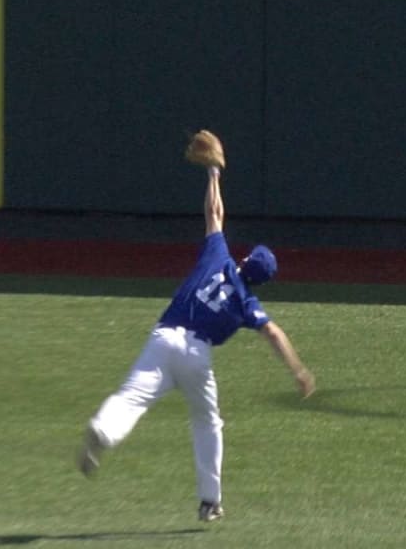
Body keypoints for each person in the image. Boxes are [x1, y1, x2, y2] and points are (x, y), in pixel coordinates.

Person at [78, 131, 316, 523]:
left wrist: (213, 175)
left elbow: (214, 214)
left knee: (131, 398)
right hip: (196, 355)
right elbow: (272, 332)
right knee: (207, 421)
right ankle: (210, 502)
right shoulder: (245, 300)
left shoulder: (218, 256)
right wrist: (299, 371)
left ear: (244, 259)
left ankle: (103, 430)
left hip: (163, 338)